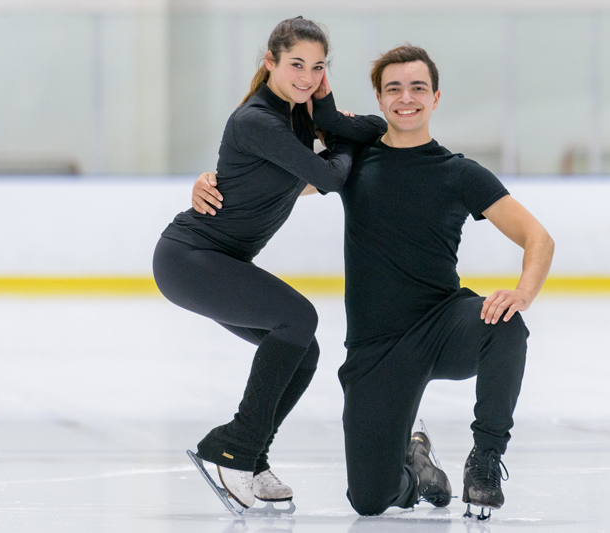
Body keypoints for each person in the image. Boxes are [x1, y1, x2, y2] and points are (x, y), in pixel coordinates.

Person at [192, 45, 554, 517]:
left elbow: (537, 237)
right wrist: (209, 181)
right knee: (369, 500)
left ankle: (485, 459)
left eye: (418, 88)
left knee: (505, 323)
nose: (407, 98)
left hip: (443, 326)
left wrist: (523, 292)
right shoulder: (353, 161)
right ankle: (417, 467)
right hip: (375, 351)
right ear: (380, 101)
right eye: (394, 89)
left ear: (436, 98)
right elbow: (267, 183)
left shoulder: (460, 173)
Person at [152, 17, 381, 511]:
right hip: (190, 258)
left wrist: (331, 117)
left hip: (218, 261)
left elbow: (364, 136)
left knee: (304, 348)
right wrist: (339, 142)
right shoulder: (258, 120)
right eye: (296, 64)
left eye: (318, 67)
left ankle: (251, 455)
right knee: (298, 318)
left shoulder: (299, 118)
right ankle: (230, 447)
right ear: (270, 63)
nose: (307, 76)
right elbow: (329, 176)